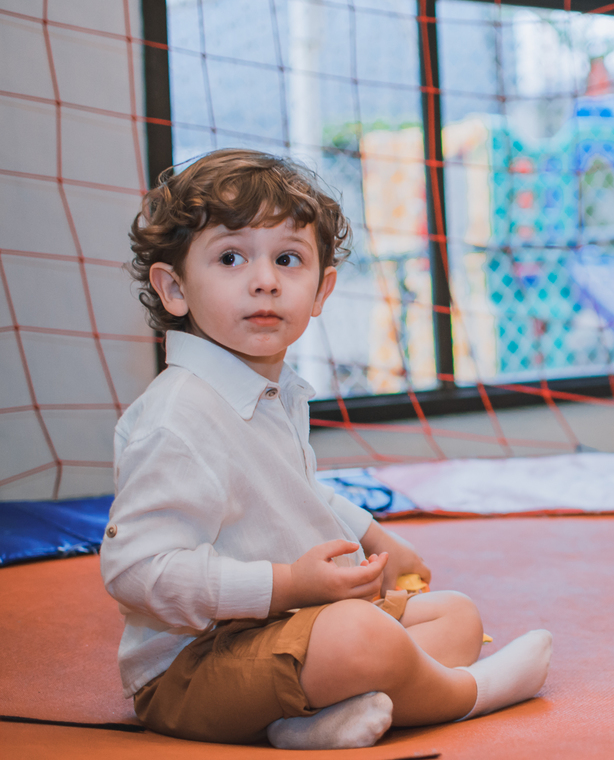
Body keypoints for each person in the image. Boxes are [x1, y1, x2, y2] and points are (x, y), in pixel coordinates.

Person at [101, 149, 552, 749]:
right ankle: (468, 693)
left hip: (290, 629)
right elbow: (136, 572)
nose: (265, 280)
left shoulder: (274, 390)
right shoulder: (177, 418)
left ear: (321, 290)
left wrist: (373, 535)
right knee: (360, 636)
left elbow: (293, 487)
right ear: (174, 288)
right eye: (231, 257)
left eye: (288, 259)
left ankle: (307, 720)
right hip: (196, 666)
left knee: (456, 616)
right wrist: (287, 584)